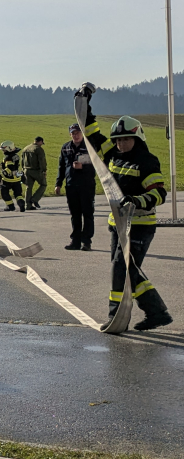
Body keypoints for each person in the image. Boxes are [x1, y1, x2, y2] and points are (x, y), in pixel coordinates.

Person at [76, 84, 172, 332]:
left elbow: (159, 193)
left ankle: (116, 317)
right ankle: (157, 312)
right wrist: (83, 100)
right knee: (127, 269)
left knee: (122, 268)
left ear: (137, 138)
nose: (121, 144)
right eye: (118, 140)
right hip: (116, 224)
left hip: (140, 225)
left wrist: (137, 201)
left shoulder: (147, 161)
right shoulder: (111, 154)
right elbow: (90, 131)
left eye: (126, 139)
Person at [54, 124, 96, 251]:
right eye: (73, 133)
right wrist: (58, 183)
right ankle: (75, 241)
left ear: (82, 133)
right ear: (70, 134)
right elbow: (61, 166)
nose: (76, 135)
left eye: (78, 132)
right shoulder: (66, 147)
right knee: (75, 214)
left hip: (86, 185)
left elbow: (96, 167)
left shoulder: (89, 147)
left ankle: (86, 241)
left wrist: (83, 167)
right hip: (71, 185)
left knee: (87, 213)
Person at [0, 140, 26, 212]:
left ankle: (10, 206)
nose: (3, 151)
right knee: (18, 194)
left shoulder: (8, 158)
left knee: (4, 193)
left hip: (8, 180)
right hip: (17, 179)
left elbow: (10, 168)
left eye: (4, 149)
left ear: (8, 148)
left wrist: (1, 175)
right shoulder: (15, 156)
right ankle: (21, 203)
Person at [20, 136, 47, 210]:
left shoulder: (26, 148)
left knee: (28, 187)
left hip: (26, 170)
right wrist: (44, 170)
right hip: (36, 171)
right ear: (40, 141)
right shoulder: (38, 149)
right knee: (43, 184)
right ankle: (35, 199)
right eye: (42, 143)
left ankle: (27, 205)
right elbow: (42, 161)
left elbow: (22, 161)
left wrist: (23, 169)